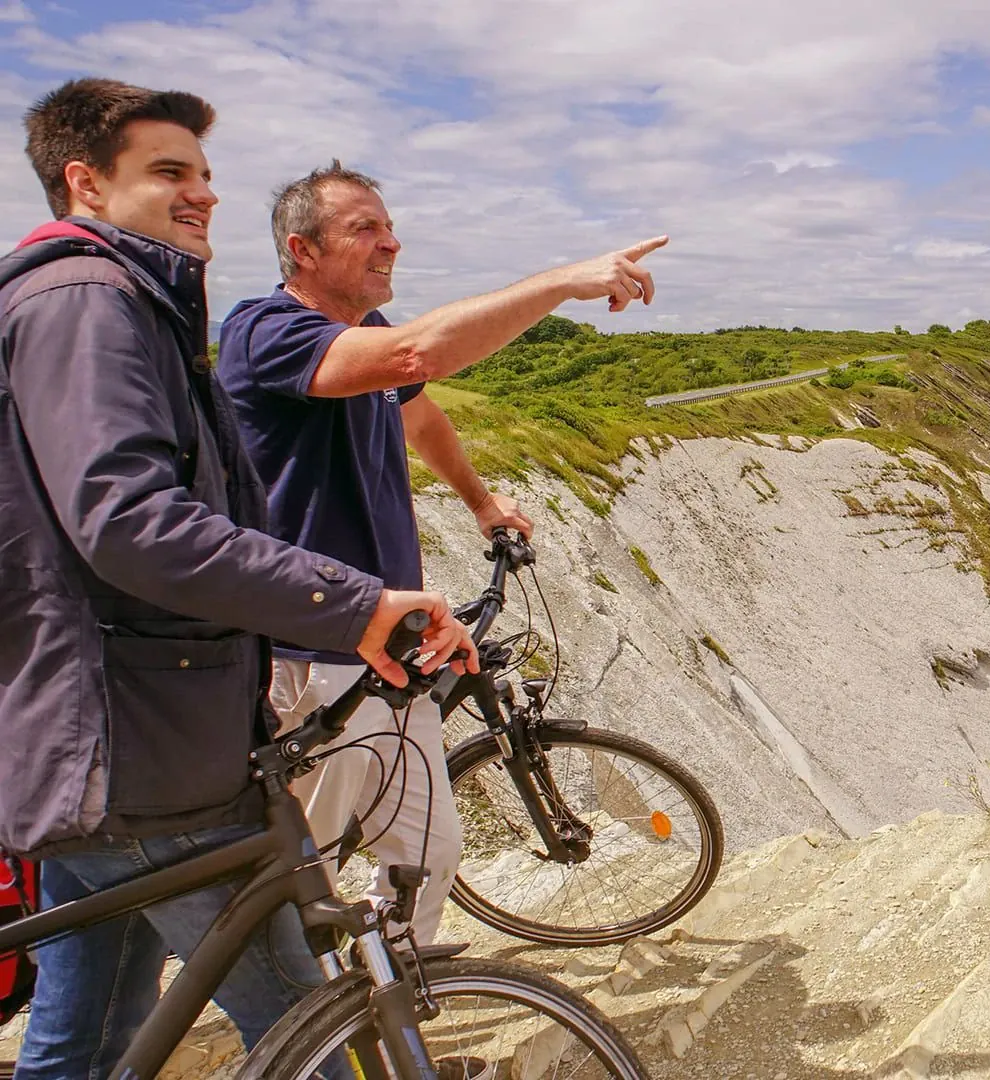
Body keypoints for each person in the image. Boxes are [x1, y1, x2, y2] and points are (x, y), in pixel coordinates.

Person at [0, 79, 477, 1078]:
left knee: (83, 1049)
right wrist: (353, 604)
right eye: (169, 171)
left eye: (205, 173)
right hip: (141, 754)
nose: (204, 193)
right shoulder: (90, 301)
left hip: (101, 748)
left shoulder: (118, 302)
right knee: (324, 1034)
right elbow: (127, 521)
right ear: (85, 182)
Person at [217, 160, 667, 944]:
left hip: (391, 648)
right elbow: (418, 361)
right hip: (311, 649)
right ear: (303, 249)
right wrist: (565, 281)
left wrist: (484, 503)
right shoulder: (267, 332)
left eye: (389, 227)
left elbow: (420, 417)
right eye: (364, 228)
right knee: (306, 868)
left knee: (427, 851)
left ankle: (394, 1033)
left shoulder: (371, 335)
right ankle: (306, 1039)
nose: (391, 242)